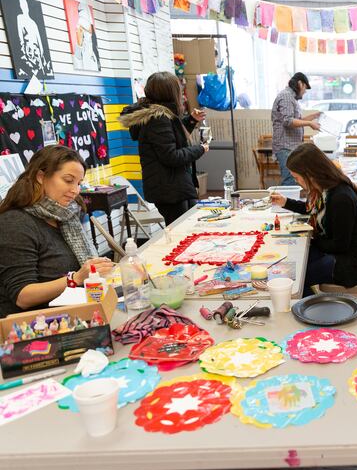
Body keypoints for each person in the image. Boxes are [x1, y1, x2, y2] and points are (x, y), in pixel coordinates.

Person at [0, 146, 113, 317]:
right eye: (68, 180)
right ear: (41, 176)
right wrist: (75, 278)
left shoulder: (65, 216)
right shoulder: (15, 222)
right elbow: (22, 296)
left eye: (79, 183)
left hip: (72, 313)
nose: (75, 190)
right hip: (34, 327)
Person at [270, 143, 357, 296]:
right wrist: (285, 202)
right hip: (340, 250)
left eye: (297, 177)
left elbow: (340, 246)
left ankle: (312, 313)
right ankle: (310, 305)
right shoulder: (324, 188)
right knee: (294, 262)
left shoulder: (340, 198)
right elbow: (311, 209)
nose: (296, 181)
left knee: (295, 276)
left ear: (310, 174)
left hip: (356, 262)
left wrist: (310, 237)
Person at [119, 71, 208, 225]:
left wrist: (191, 120)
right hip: (170, 189)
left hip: (173, 186)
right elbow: (171, 156)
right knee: (181, 232)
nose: (181, 95)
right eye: (178, 90)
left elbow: (172, 138)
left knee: (189, 227)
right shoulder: (158, 118)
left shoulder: (161, 115)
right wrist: (199, 149)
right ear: (171, 92)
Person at [271, 72, 321, 186]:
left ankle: (290, 203)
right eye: (305, 88)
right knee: (289, 180)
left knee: (293, 179)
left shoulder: (290, 97)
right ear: (300, 84)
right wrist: (309, 123)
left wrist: (312, 117)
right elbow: (288, 121)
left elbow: (296, 120)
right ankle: (287, 203)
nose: (304, 92)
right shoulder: (286, 96)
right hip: (285, 146)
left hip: (290, 146)